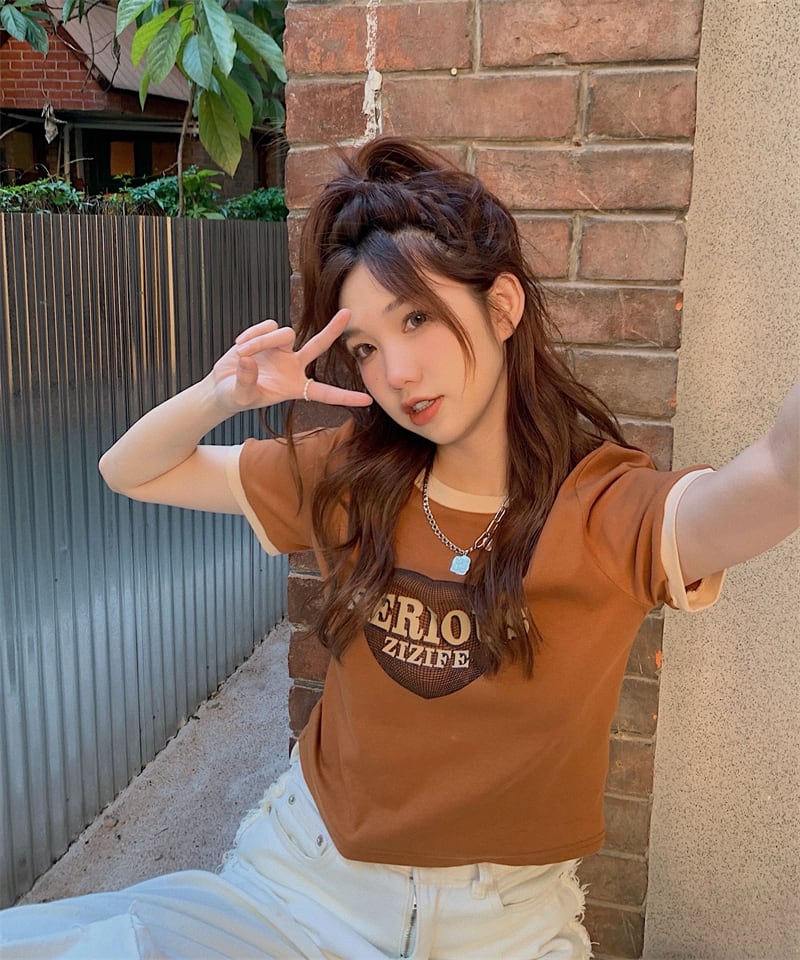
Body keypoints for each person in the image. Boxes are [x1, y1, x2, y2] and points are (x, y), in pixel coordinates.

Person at [1, 137, 797, 960]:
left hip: (504, 926)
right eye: (368, 348)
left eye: (416, 318)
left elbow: (778, 475)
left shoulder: (606, 511)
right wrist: (220, 394)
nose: (398, 372)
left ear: (502, 308)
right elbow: (130, 470)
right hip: (298, 888)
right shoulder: (351, 476)